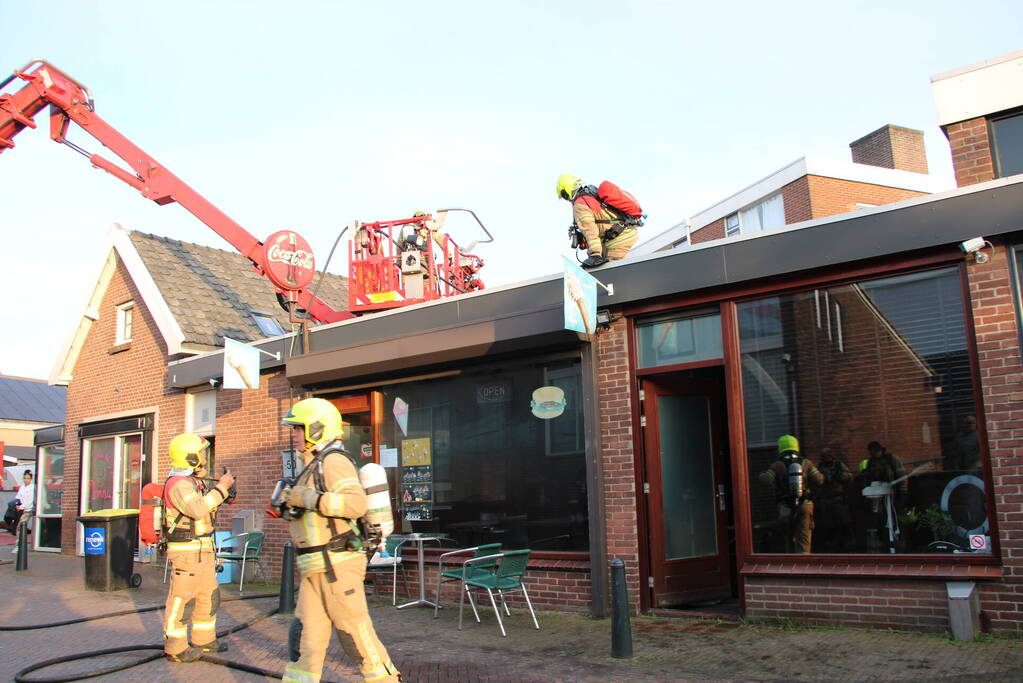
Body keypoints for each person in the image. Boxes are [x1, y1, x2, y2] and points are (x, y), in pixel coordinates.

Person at [280, 398, 400, 683]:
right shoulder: (310, 465)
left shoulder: (333, 461)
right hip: (315, 569)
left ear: (317, 429)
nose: (294, 434)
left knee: (354, 632)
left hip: (336, 565)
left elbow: (355, 505)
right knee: (305, 637)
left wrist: (309, 498)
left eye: (299, 428)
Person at [162, 432, 235, 663]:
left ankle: (204, 641)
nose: (204, 458)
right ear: (190, 458)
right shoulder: (178, 484)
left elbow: (212, 503)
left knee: (208, 597)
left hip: (203, 551)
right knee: (182, 601)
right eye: (201, 454)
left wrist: (224, 489)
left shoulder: (195, 482)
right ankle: (176, 647)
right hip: (187, 553)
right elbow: (197, 509)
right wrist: (221, 488)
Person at [556, 174, 639, 269]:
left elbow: (590, 232)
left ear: (565, 192)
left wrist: (595, 255)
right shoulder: (591, 193)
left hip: (619, 239)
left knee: (611, 272)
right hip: (625, 232)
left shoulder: (580, 204)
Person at [758, 435, 823, 553]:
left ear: (780, 448)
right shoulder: (806, 462)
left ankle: (790, 565)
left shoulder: (777, 465)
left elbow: (765, 480)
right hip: (805, 505)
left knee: (787, 537)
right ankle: (804, 566)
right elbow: (819, 480)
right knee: (804, 539)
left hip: (785, 506)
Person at [813, 446, 854, 552]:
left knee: (844, 525)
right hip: (826, 502)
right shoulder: (820, 467)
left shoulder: (838, 465)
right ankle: (832, 548)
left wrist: (839, 475)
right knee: (829, 528)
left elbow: (849, 477)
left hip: (839, 501)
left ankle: (848, 547)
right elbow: (816, 483)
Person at [10, 470, 34, 550]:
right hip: (22, 509)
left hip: (28, 510)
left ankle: (18, 546)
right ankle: (19, 544)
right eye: (24, 478)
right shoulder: (22, 487)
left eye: (28, 478)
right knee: (17, 527)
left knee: (21, 526)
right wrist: (17, 504)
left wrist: (21, 507)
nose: (26, 480)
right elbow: (18, 497)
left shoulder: (32, 488)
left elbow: (30, 501)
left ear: (31, 479)